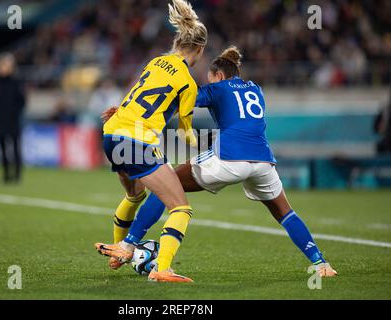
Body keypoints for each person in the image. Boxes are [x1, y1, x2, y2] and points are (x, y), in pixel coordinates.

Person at [102, 46, 338, 278]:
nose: (209, 84)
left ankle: (130, 245)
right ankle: (320, 263)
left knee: (166, 183)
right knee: (286, 214)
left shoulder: (219, 89)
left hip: (230, 156)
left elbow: (180, 99)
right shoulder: (256, 89)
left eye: (210, 80)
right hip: (263, 160)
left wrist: (128, 112)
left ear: (219, 76)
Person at [94, 0, 207, 283]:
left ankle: (119, 253)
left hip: (112, 134)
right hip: (138, 141)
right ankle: (160, 267)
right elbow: (186, 131)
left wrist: (119, 110)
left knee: (136, 195)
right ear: (200, 50)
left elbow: (138, 93)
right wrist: (205, 146)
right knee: (180, 206)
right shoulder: (188, 82)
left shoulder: (156, 61)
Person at [0, 53, 26, 184]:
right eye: (2, 65)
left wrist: (15, 113)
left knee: (15, 148)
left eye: (7, 65)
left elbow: (22, 101)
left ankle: (17, 175)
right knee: (2, 148)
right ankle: (6, 174)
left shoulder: (16, 82)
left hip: (13, 120)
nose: (4, 68)